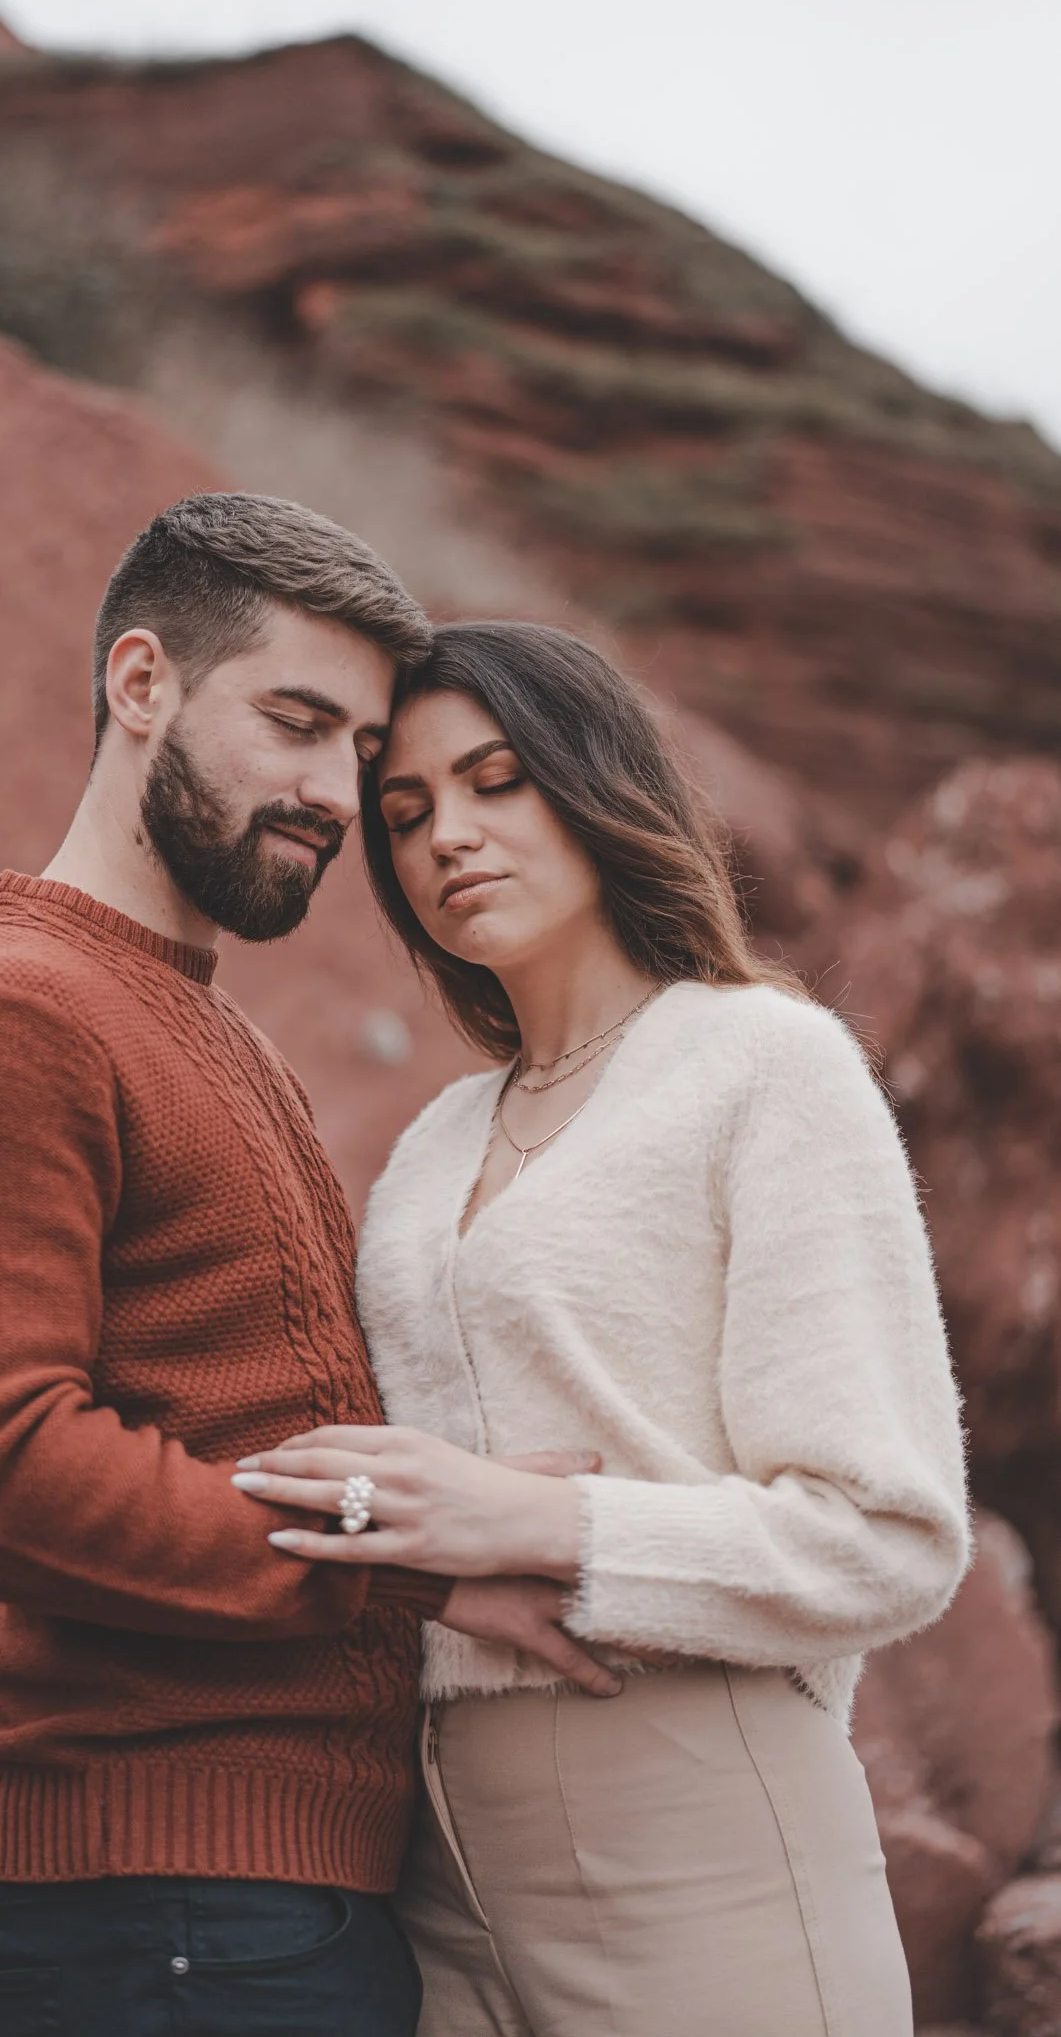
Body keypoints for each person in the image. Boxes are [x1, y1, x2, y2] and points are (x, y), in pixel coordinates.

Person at [0, 515, 619, 2037]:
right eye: (297, 724)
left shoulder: (196, 1021)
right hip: (165, 1914)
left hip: (264, 1904)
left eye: (363, 748)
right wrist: (417, 1555)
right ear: (141, 683)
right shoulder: (9, 1020)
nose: (340, 795)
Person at [231, 620, 972, 2036]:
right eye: (407, 812)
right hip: (437, 1871)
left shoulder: (765, 1064)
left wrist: (547, 1531)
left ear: (596, 782)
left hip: (703, 1846)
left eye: (498, 779)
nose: (449, 834)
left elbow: (890, 1535)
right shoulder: (437, 1145)